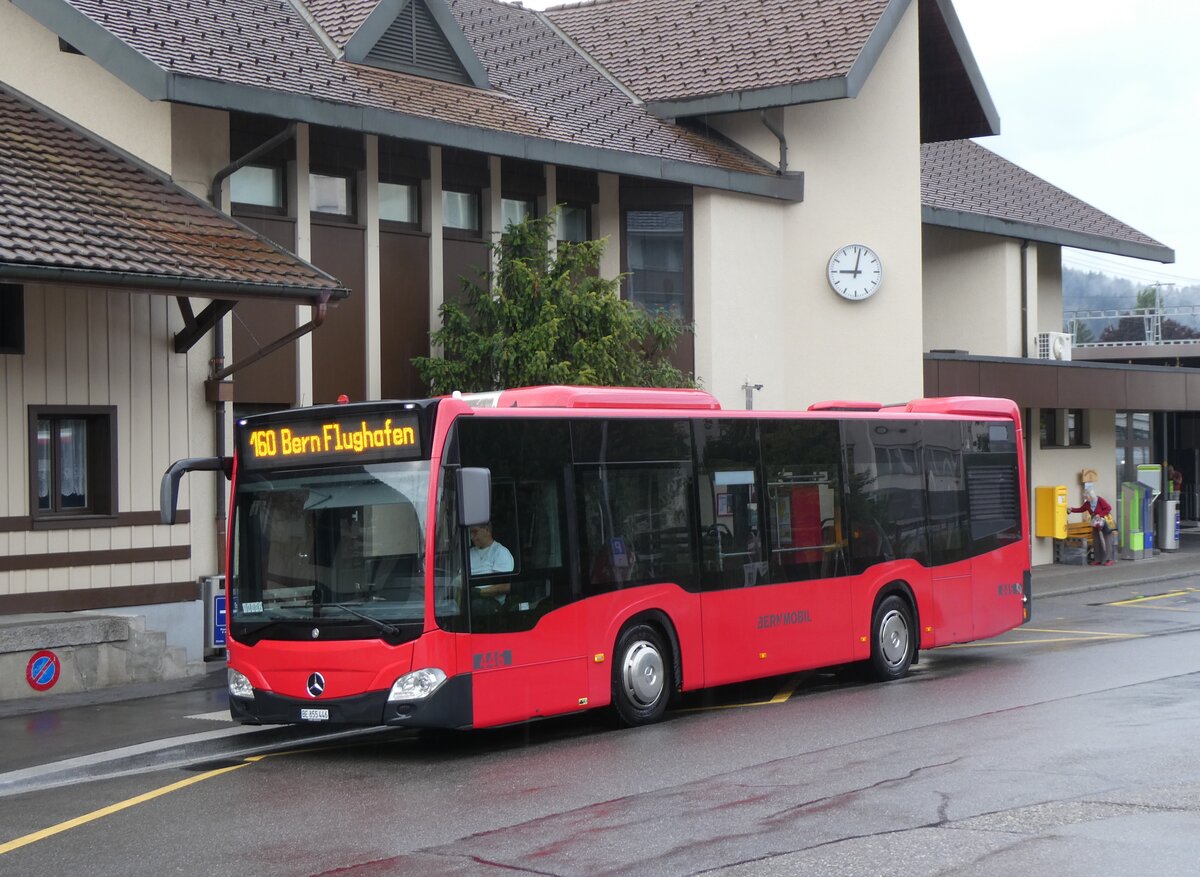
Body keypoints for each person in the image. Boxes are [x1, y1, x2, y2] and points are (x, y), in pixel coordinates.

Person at [1069, 488, 1114, 566]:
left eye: (1086, 497)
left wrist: (1100, 514)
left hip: (1104, 523)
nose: (1086, 499)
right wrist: (1071, 509)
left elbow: (1108, 508)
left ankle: (1108, 559)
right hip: (1095, 523)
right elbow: (1081, 509)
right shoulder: (1087, 503)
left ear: (1091, 496)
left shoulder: (1099, 500)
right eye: (1085, 497)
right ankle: (1098, 559)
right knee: (1096, 541)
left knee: (1107, 541)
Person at [469, 522, 514, 597]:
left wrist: (478, 592)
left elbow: (504, 587)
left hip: (491, 601)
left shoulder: (500, 552)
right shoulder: (469, 553)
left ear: (487, 530)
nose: (471, 536)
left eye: (475, 532)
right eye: (470, 532)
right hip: (468, 597)